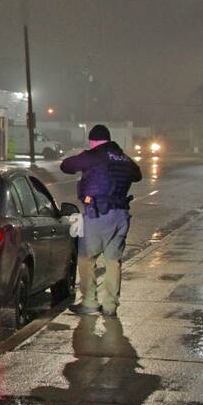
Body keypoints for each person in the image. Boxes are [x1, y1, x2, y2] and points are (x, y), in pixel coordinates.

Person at [59, 124, 142, 315]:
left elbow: (66, 166)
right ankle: (111, 306)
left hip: (99, 214)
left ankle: (89, 303)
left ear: (93, 141)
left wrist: (84, 156)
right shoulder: (122, 157)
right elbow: (137, 175)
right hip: (122, 215)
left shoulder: (94, 156)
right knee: (113, 261)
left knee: (86, 259)